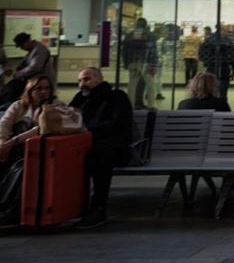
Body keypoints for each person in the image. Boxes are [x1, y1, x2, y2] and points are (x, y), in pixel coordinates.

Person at [70, 67, 133, 230]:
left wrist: (91, 131)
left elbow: (120, 124)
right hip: (87, 145)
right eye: (80, 80)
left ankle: (98, 208)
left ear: (99, 79)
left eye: (86, 79)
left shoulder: (116, 96)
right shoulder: (80, 98)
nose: (82, 83)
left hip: (114, 148)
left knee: (99, 156)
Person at [0, 76, 62, 228]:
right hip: (13, 148)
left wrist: (11, 143)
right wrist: (2, 143)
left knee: (22, 169)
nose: (43, 92)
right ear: (30, 90)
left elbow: (40, 130)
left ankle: (11, 211)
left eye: (47, 88)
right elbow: (4, 125)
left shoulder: (55, 106)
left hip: (40, 152)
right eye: (38, 88)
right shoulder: (19, 105)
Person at [123, 18, 159, 109]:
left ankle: (130, 105)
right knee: (150, 85)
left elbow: (124, 50)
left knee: (132, 85)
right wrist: (154, 63)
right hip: (147, 63)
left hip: (133, 62)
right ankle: (151, 105)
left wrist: (126, 62)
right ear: (146, 25)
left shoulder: (129, 35)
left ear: (136, 24)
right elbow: (153, 51)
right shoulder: (150, 35)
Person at [198, 28, 234, 102]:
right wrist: (233, 71)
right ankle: (222, 110)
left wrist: (207, 63)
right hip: (224, 70)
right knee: (223, 95)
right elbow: (232, 57)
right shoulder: (228, 41)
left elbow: (201, 55)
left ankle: (211, 110)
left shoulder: (208, 40)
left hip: (211, 69)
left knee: (210, 94)